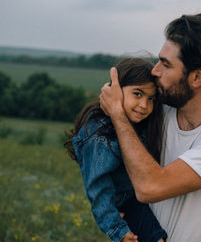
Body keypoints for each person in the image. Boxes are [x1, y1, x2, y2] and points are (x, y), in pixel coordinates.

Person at [99, 11, 201, 241]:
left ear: (197, 77)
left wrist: (118, 114)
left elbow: (150, 187)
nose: (154, 71)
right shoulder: (158, 110)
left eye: (165, 64)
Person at [65, 58, 167, 242]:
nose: (144, 105)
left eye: (151, 98)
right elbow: (98, 187)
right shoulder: (99, 132)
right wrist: (116, 229)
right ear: (115, 92)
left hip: (138, 198)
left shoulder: (141, 124)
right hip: (124, 204)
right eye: (137, 94)